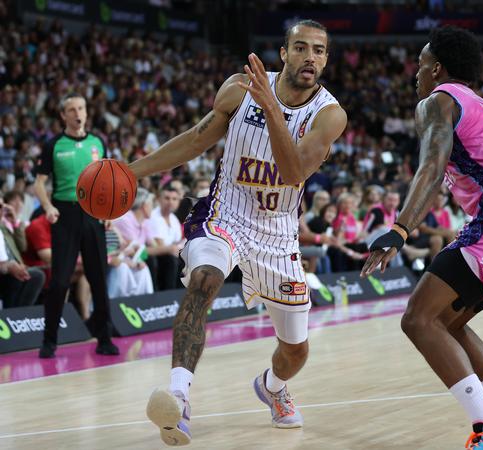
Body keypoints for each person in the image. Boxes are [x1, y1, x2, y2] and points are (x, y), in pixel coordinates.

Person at [128, 20, 346, 446]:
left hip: (279, 234)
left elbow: (294, 171)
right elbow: (195, 140)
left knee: (295, 351)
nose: (310, 58)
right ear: (283, 54)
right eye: (300, 48)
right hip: (227, 213)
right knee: (205, 281)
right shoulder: (238, 88)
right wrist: (130, 173)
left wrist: (270, 108)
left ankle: (273, 387)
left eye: (319, 51)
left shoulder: (329, 114)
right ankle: (179, 396)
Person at [361, 26, 483, 449]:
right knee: (446, 323)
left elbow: (430, 167)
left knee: (417, 318)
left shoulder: (439, 100)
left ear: (437, 69)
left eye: (419, 66)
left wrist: (400, 229)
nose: (416, 75)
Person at [33, 93, 119, 358]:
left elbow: (106, 179)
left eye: (81, 108)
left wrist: (109, 211)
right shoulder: (53, 145)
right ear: (63, 115)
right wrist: (48, 207)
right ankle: (49, 341)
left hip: (93, 214)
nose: (77, 113)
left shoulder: (97, 142)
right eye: (71, 109)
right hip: (65, 217)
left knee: (98, 280)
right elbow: (39, 183)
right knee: (59, 282)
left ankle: (104, 338)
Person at [146, 184, 184, 290]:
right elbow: (159, 245)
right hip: (158, 255)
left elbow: (177, 242)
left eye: (174, 199)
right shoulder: (153, 216)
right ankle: (169, 294)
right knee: (172, 260)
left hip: (171, 253)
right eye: (167, 198)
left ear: (178, 202)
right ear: (159, 199)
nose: (170, 202)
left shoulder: (174, 219)